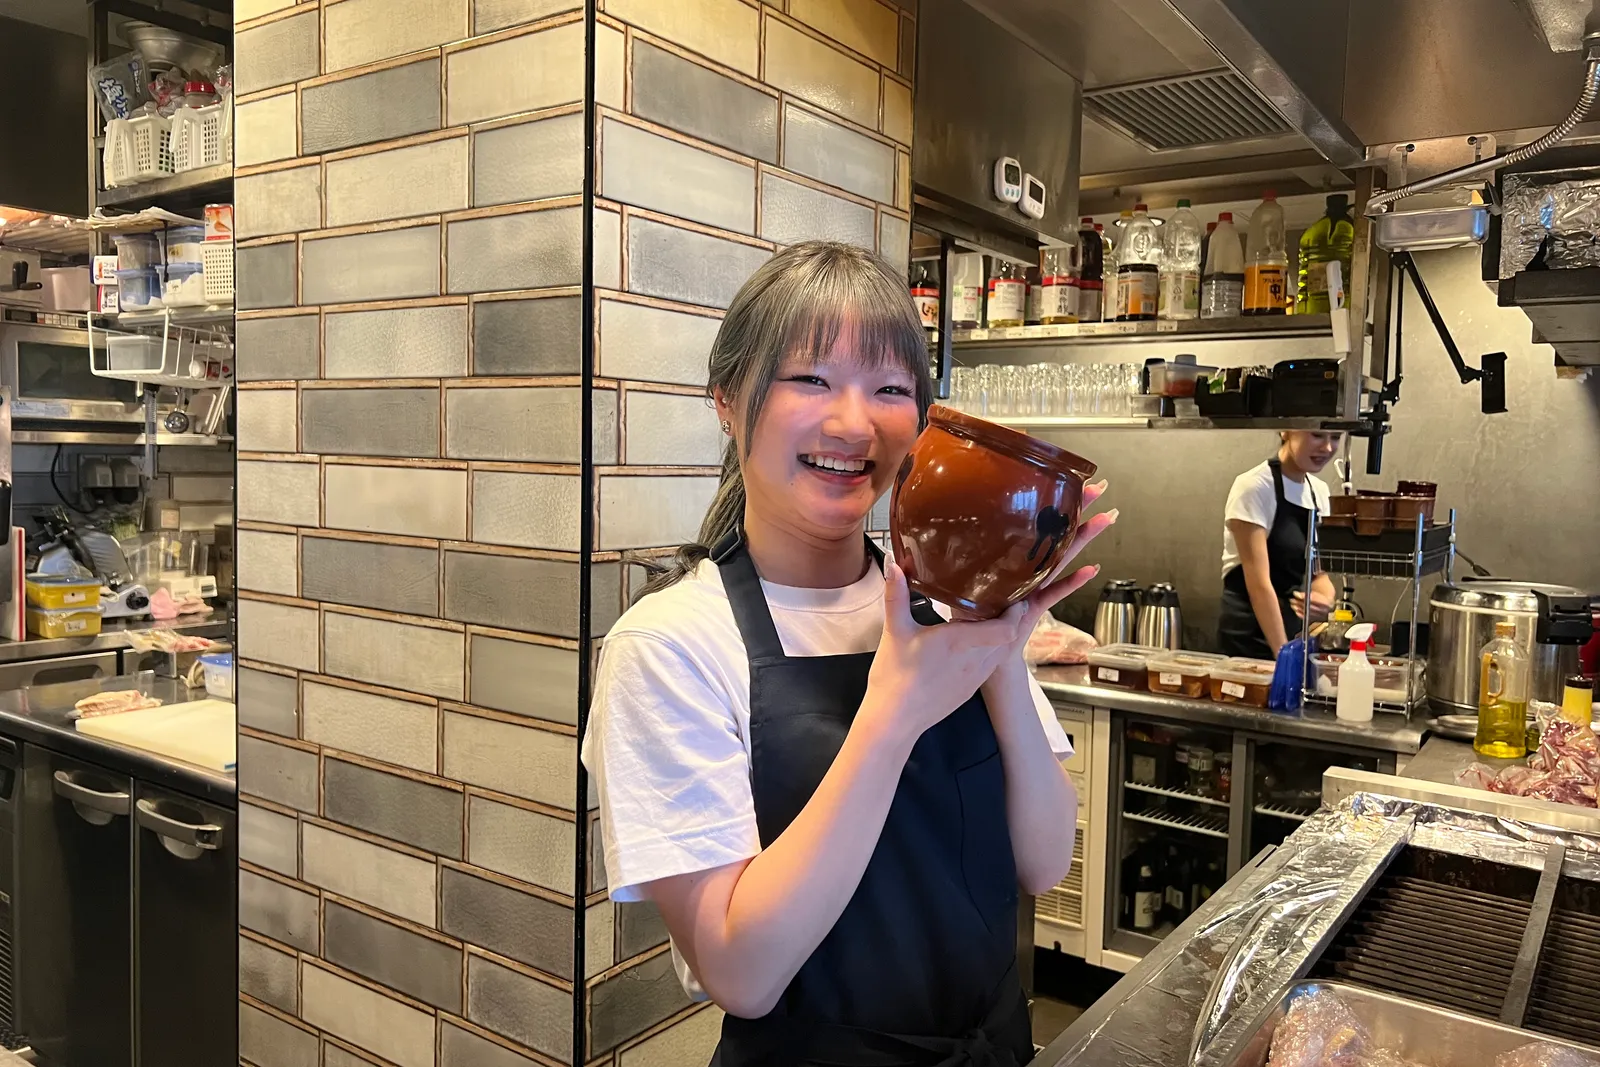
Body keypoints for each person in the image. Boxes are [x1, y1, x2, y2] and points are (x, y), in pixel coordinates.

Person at [581, 242, 1115, 1067]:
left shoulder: (944, 604)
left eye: (891, 388)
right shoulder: (670, 645)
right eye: (811, 379)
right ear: (727, 400)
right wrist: (892, 714)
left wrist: (999, 636)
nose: (853, 422)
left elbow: (1043, 862)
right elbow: (741, 971)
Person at [1217, 431, 1339, 658]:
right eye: (1317, 435)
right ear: (1285, 431)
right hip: (1248, 636)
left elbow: (1318, 573)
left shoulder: (1318, 492)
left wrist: (1325, 601)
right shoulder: (1254, 487)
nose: (1328, 447)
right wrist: (1284, 657)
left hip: (1291, 634)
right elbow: (1259, 585)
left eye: (1336, 437)